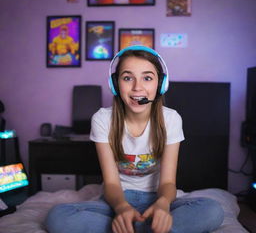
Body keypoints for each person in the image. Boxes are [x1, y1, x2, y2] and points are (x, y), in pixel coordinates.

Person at [45, 45, 224, 233]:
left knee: (213, 211)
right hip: (117, 199)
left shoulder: (171, 119)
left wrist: (163, 205)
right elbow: (112, 183)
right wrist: (121, 208)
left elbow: (168, 183)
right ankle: (147, 229)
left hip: (158, 196)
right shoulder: (103, 119)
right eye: (128, 78)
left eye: (147, 78)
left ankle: (131, 229)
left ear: (160, 84)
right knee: (57, 218)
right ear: (115, 84)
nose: (137, 87)